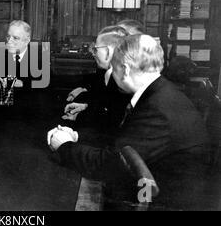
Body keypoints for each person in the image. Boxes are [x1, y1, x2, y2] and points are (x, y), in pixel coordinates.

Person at [48, 35, 208, 207]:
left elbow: (108, 166)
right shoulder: (159, 92)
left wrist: (64, 146)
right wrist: (77, 137)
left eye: (113, 67)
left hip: (163, 203)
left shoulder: (157, 109)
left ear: (124, 69)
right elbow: (124, 140)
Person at [63, 26, 131, 137]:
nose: (93, 54)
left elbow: (112, 126)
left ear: (109, 51)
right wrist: (85, 108)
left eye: (95, 49)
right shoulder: (111, 74)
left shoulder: (122, 81)